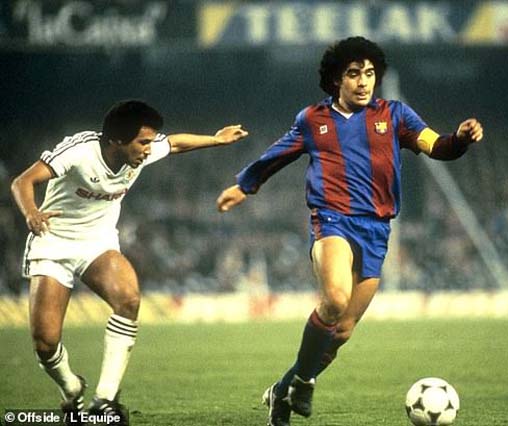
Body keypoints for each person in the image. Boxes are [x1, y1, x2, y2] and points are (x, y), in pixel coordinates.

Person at [216, 36, 483, 426]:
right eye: (354, 74)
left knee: (340, 332)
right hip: (333, 221)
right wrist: (245, 185)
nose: (363, 81)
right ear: (336, 80)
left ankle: (281, 392)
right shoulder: (313, 120)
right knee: (335, 300)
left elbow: (437, 146)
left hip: (377, 230)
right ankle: (304, 381)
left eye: (369, 73)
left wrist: (459, 139)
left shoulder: (395, 115)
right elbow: (276, 155)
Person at [11, 100, 248, 425]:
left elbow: (175, 143)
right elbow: (22, 181)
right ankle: (71, 388)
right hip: (54, 241)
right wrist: (31, 213)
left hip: (98, 242)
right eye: (143, 142)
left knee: (128, 299)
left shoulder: (141, 151)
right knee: (45, 343)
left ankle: (104, 400)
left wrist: (216, 140)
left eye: (150, 142)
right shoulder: (79, 152)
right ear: (117, 141)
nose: (149, 149)